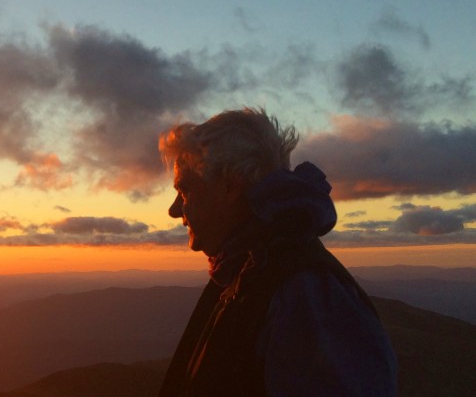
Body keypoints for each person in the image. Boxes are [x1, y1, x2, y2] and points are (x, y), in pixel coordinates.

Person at [156, 108, 397, 397]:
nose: (174, 210)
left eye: (185, 190)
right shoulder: (247, 274)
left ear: (230, 185)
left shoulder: (304, 295)